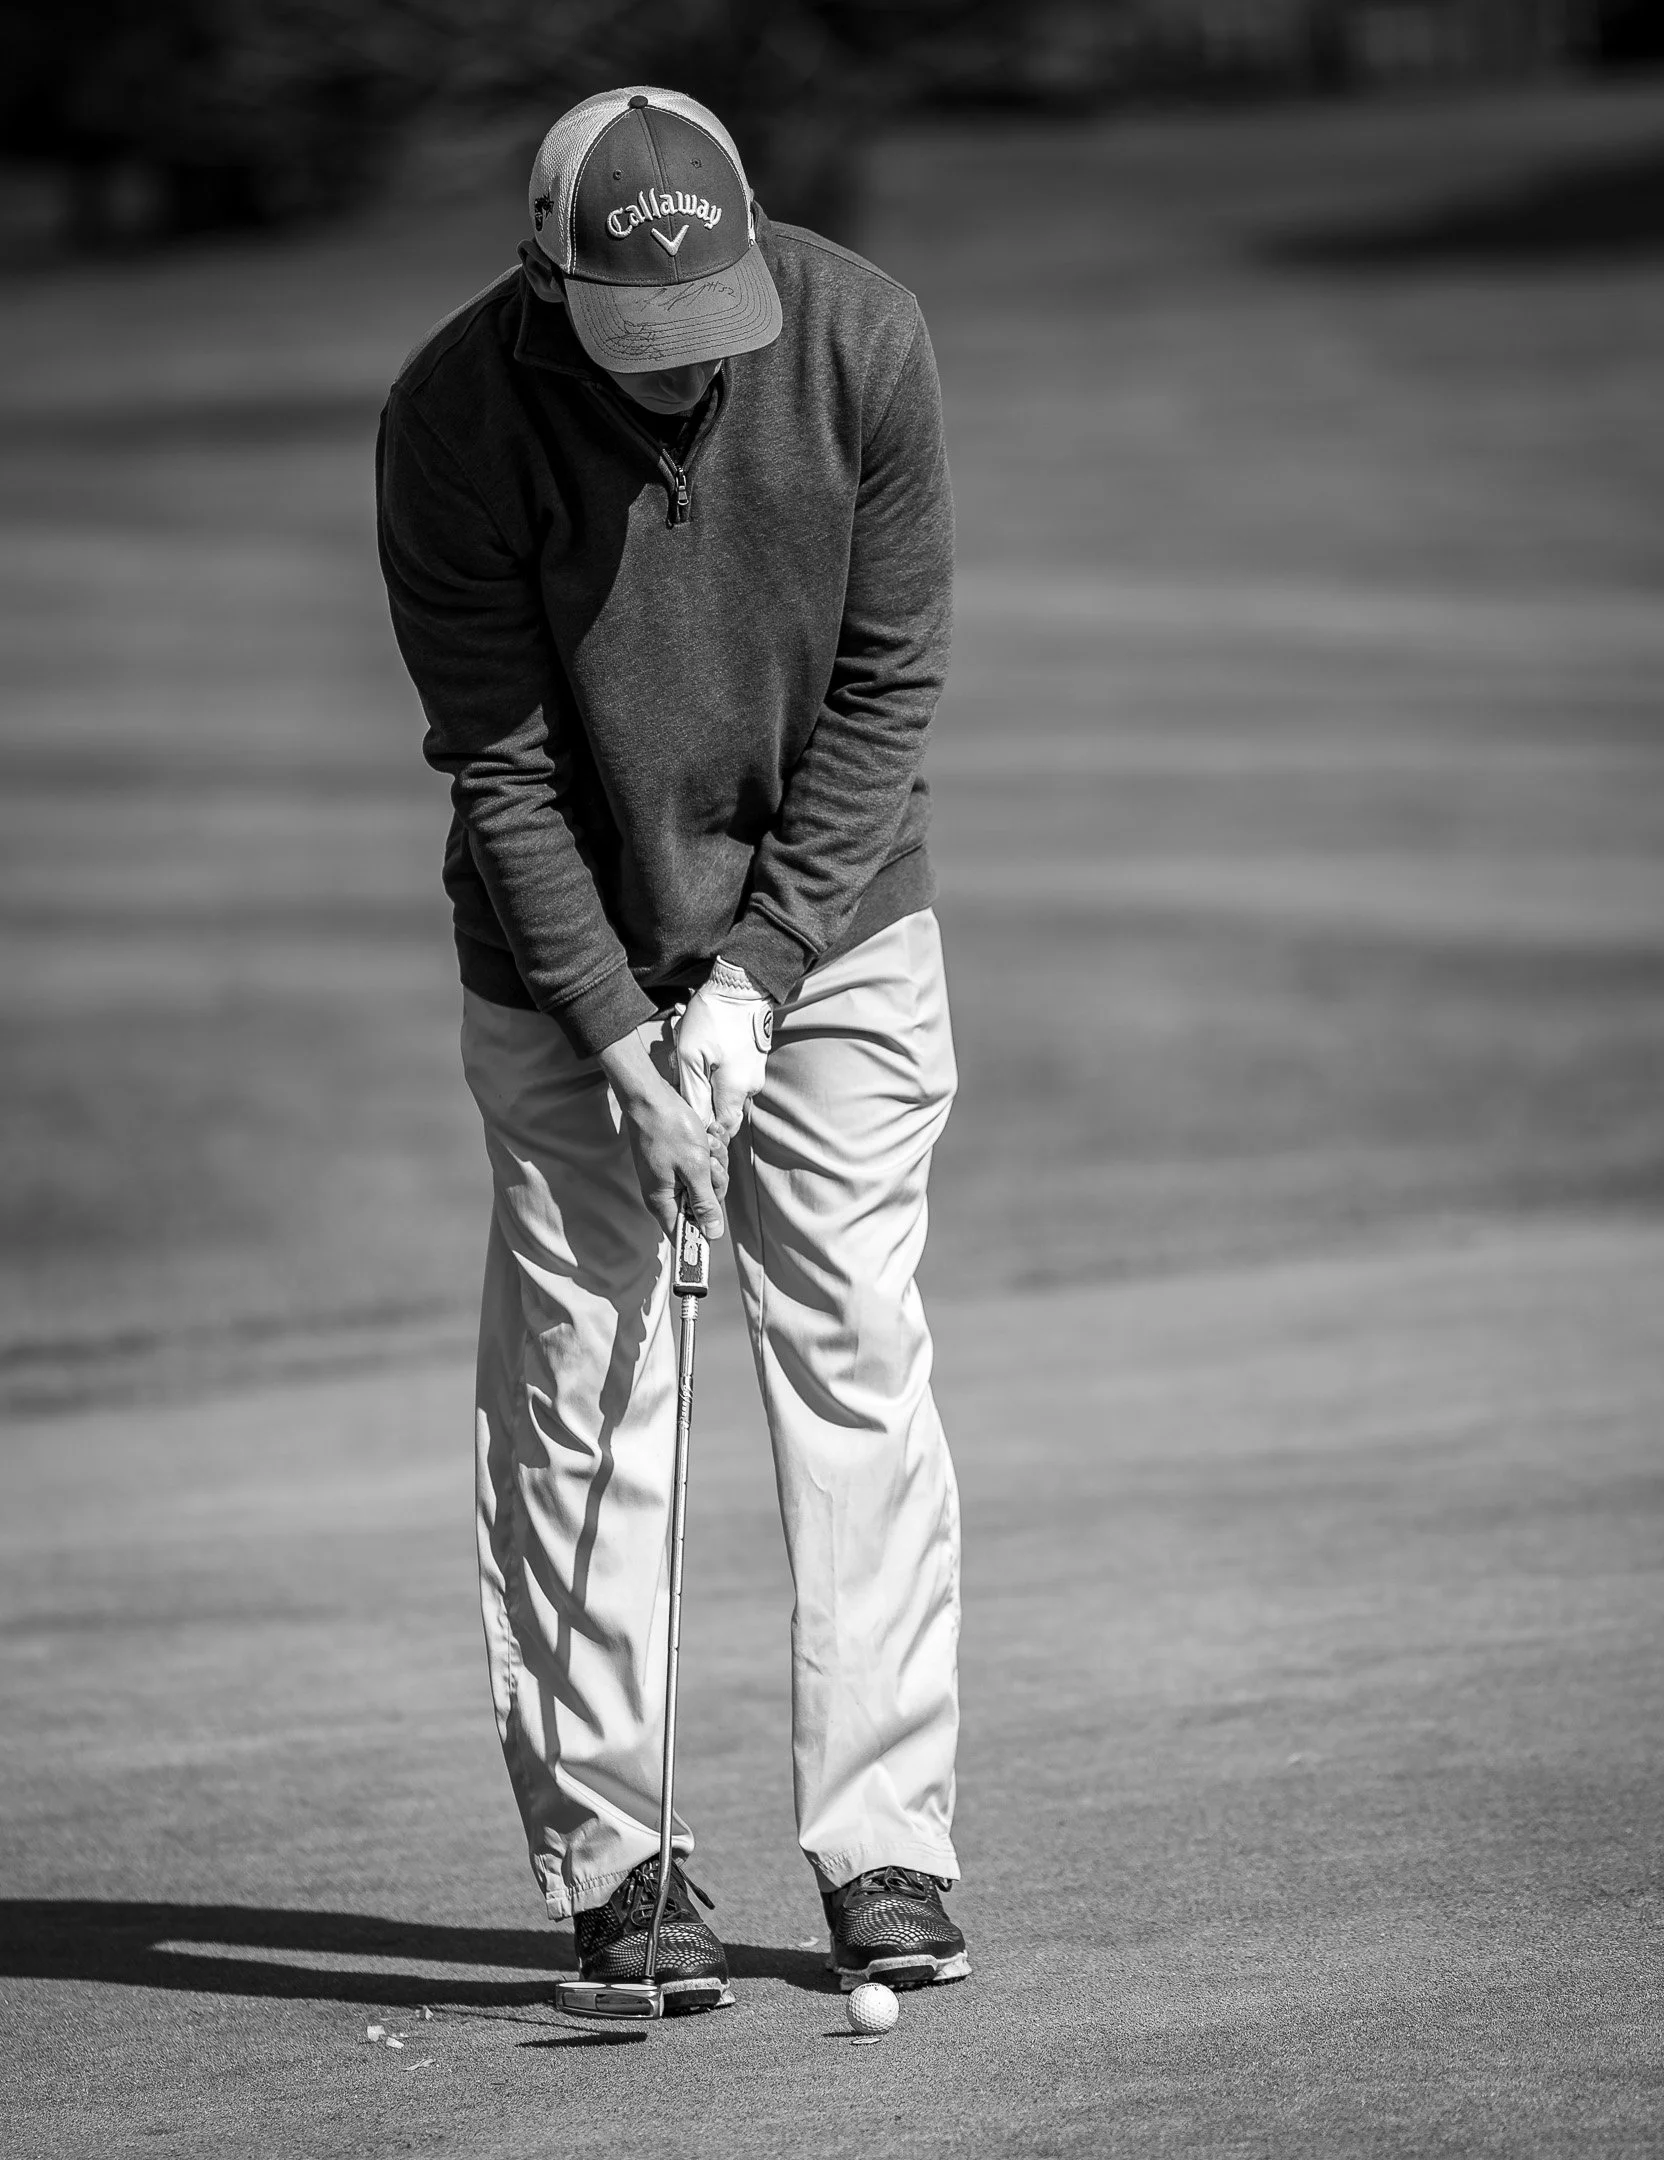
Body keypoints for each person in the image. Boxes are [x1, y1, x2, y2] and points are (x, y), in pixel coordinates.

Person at [376, 86, 967, 2012]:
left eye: (699, 336)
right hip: (559, 963)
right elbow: (503, 765)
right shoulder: (454, 416)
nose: (669, 385)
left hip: (842, 929)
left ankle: (885, 1848)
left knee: (855, 1357)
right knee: (583, 1384)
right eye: (629, 348)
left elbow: (889, 692)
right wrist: (629, 1031)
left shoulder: (862, 339)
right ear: (544, 280)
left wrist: (759, 974)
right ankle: (618, 1863)